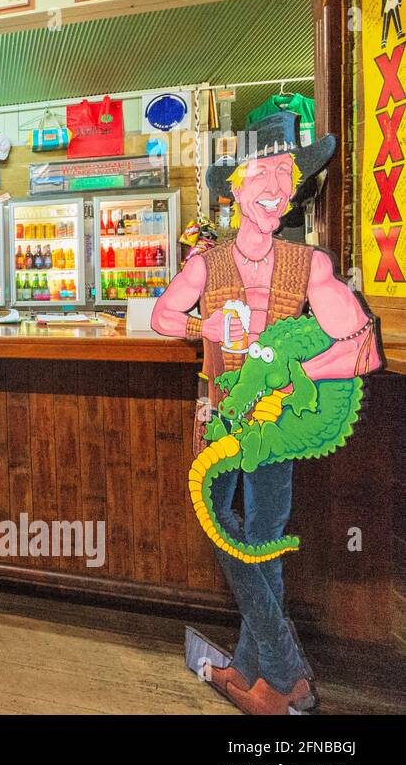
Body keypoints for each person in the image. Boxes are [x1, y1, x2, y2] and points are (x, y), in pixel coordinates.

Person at [152, 129, 382, 714]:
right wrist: (195, 329)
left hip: (276, 423)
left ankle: (269, 679)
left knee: (262, 539)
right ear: (234, 192)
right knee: (222, 524)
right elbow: (161, 315)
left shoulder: (311, 265)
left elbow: (363, 350)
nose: (277, 187)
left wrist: (295, 371)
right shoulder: (206, 262)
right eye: (262, 175)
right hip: (218, 414)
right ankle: (274, 671)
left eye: (286, 176)